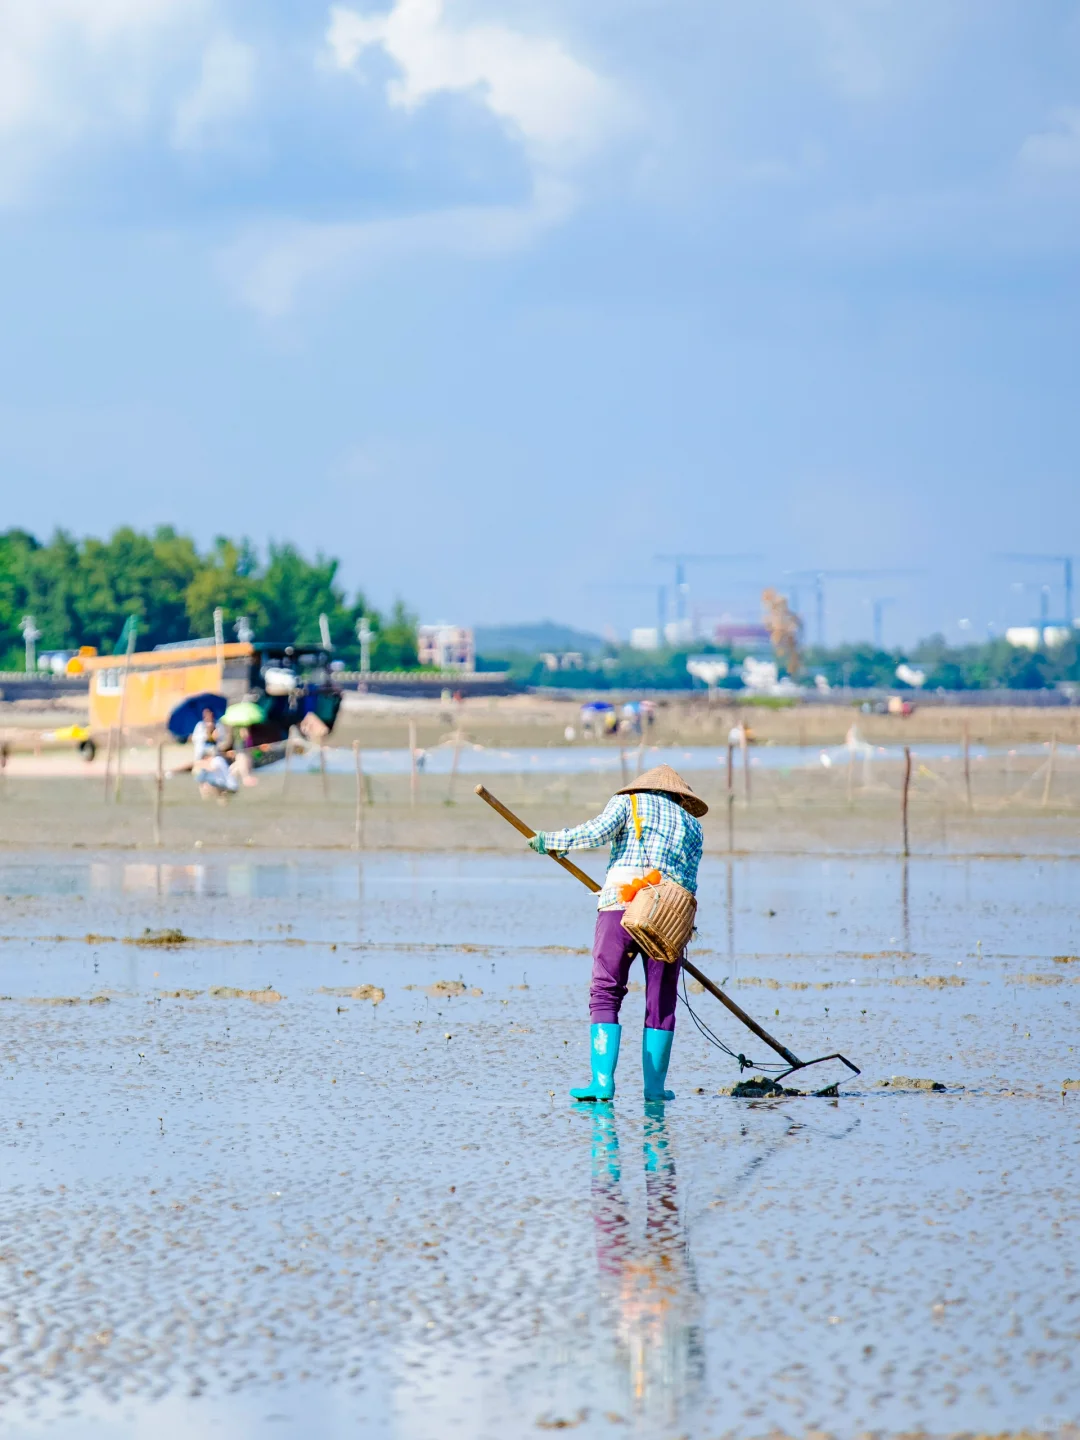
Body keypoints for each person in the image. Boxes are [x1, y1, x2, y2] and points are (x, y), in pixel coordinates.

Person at [529, 765, 706, 1103]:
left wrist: (549, 841)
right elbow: (690, 881)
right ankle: (654, 1090)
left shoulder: (630, 803)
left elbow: (596, 832)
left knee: (607, 991)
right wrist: (685, 930)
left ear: (643, 788)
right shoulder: (693, 826)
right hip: (668, 916)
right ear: (679, 797)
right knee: (662, 1000)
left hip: (621, 907)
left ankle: (602, 1084)